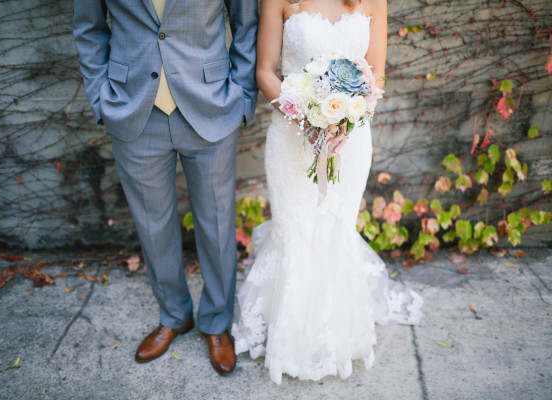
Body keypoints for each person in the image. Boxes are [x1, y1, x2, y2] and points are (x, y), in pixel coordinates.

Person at [231, 0, 423, 384]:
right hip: (291, 136)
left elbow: (377, 76)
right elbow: (265, 71)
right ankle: (291, 339)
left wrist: (345, 120)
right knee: (296, 230)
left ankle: (335, 334)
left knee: (336, 228)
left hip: (350, 141)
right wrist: (308, 117)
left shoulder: (373, 1)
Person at [73, 0, 258, 375]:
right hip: (133, 108)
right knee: (152, 226)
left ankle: (217, 322)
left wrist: (241, 97)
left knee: (217, 223)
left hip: (210, 104)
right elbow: (89, 29)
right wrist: (100, 99)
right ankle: (174, 314)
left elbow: (247, 24)